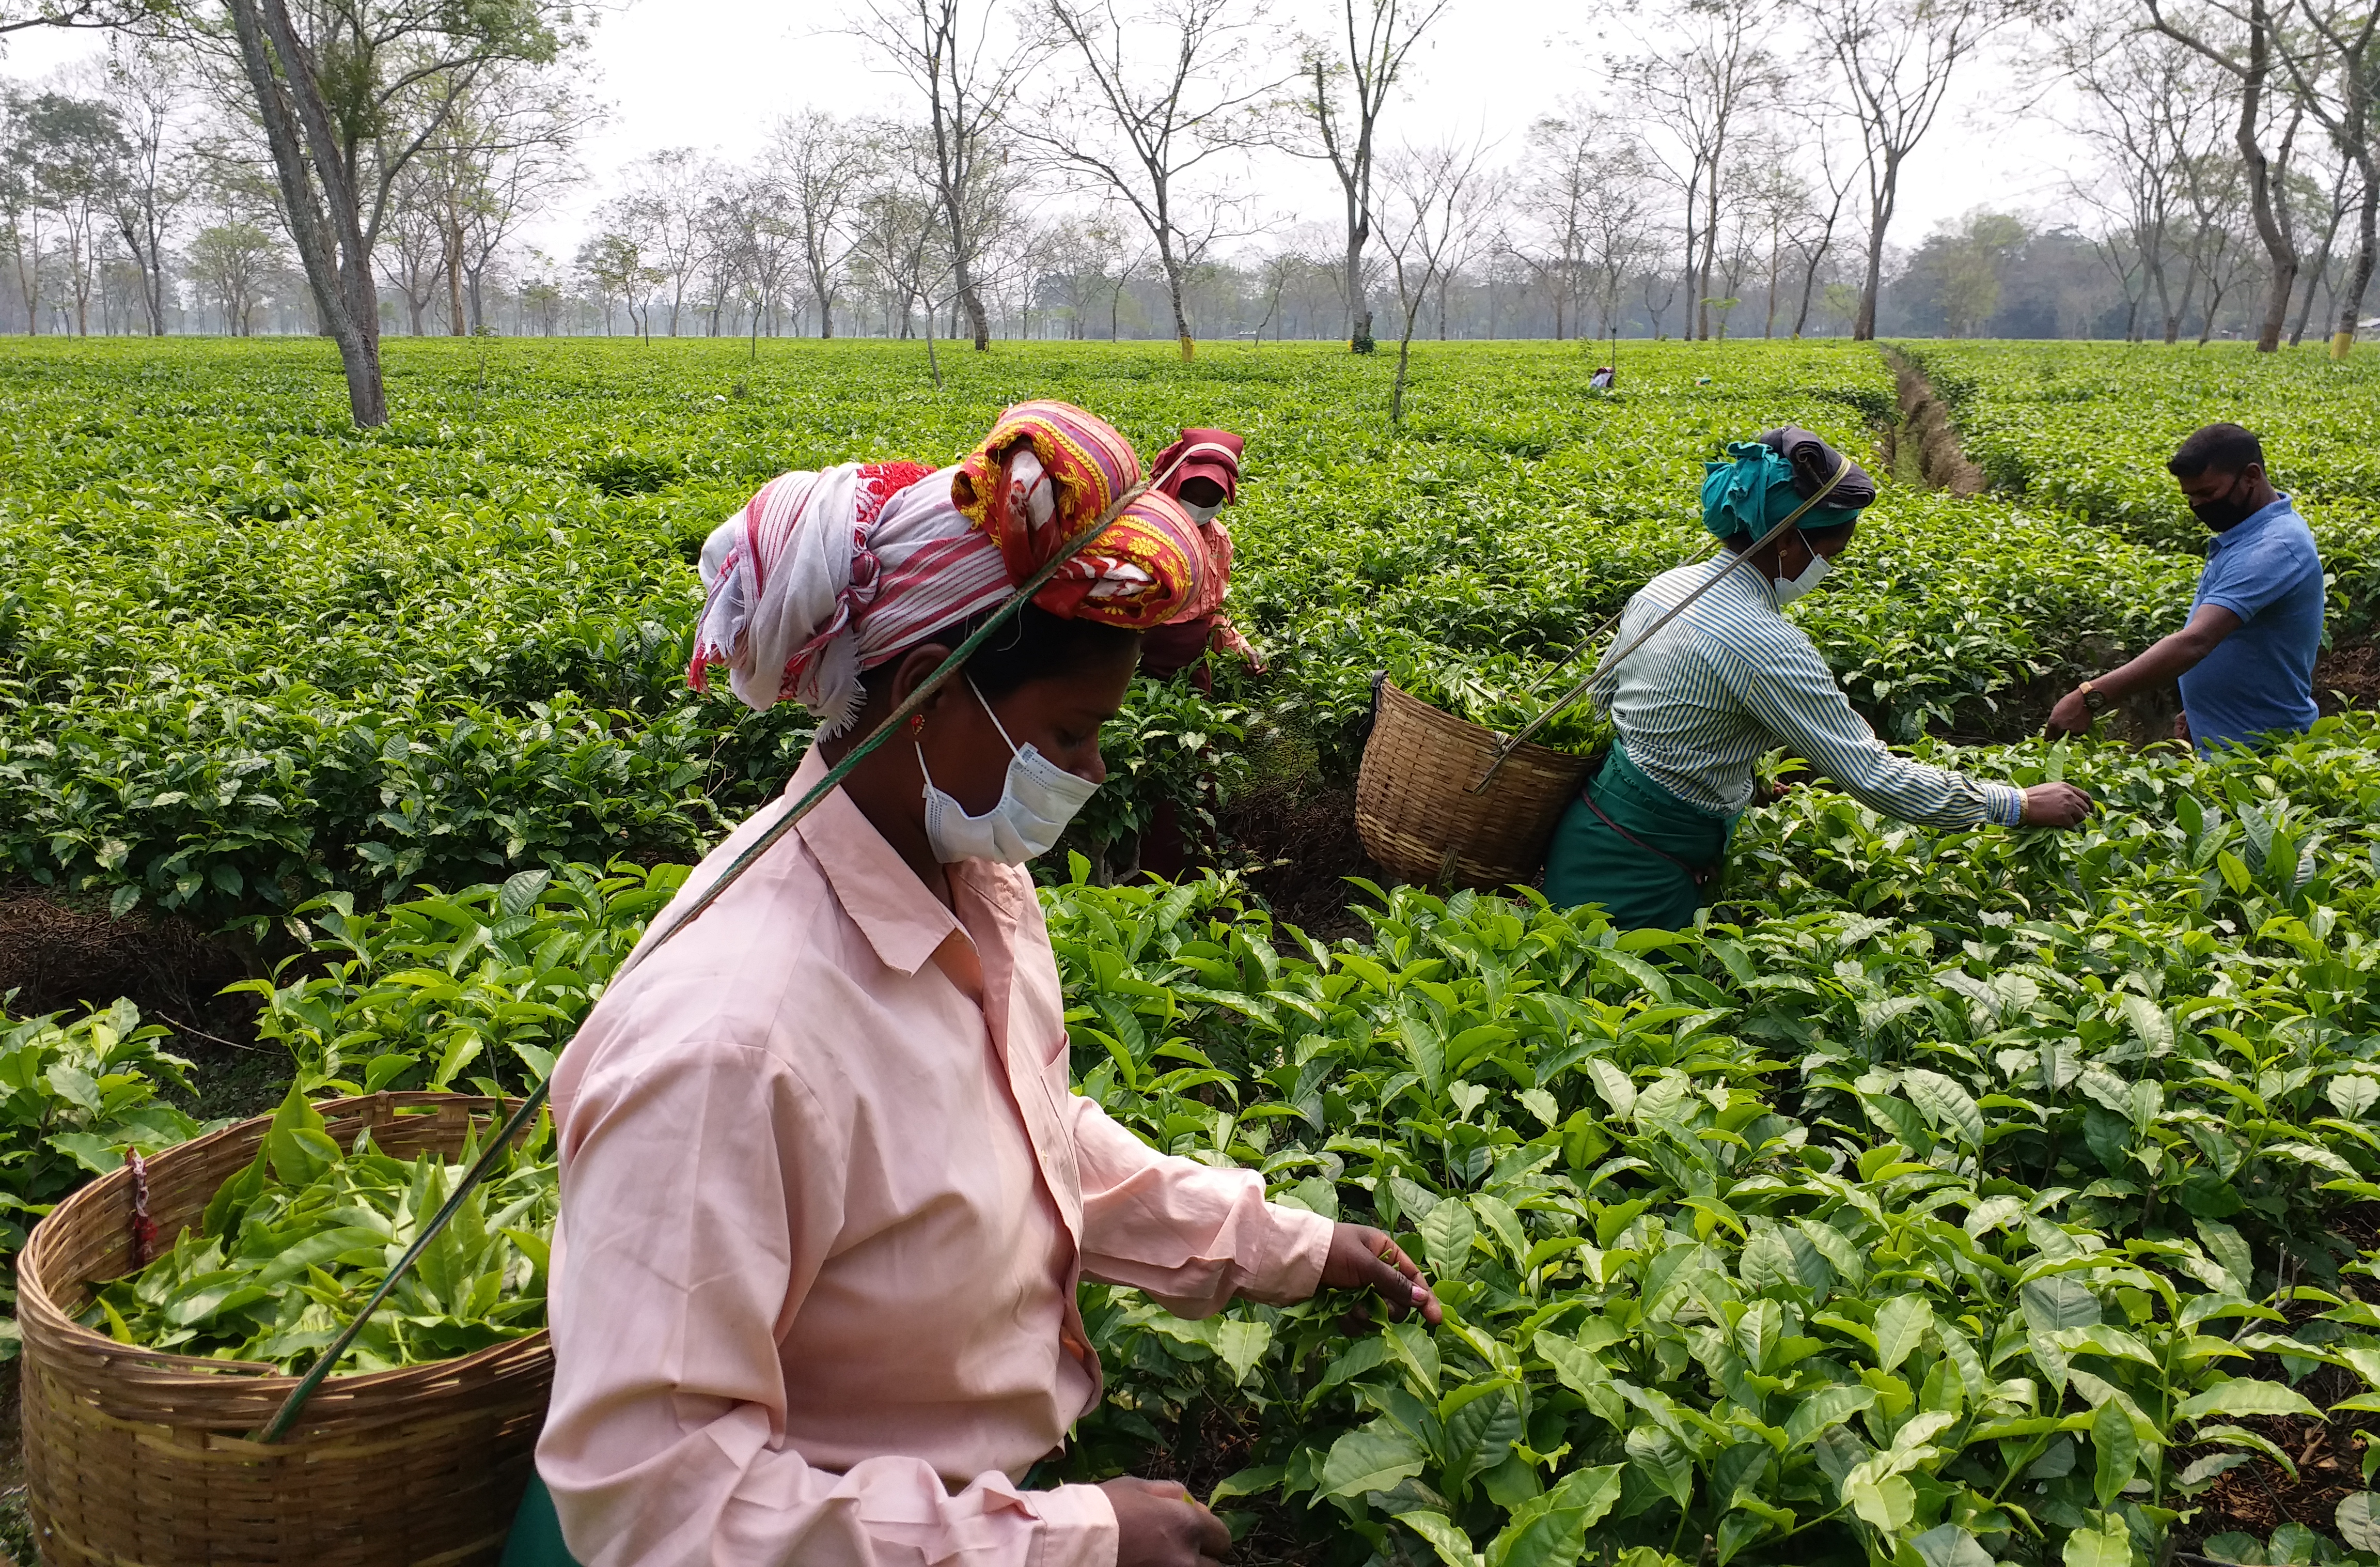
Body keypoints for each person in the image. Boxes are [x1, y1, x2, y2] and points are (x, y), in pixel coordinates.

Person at [512, 400, 1440, 1567]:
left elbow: (1026, 1143)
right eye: (1066, 731)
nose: (1092, 772)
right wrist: (1072, 1539)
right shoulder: (732, 1044)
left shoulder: (968, 877)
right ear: (922, 695)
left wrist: (1282, 1242)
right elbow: (663, 1510)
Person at [1541, 428, 2095, 933]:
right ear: (1787, 543)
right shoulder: (1765, 645)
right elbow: (1873, 776)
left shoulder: (1668, 587)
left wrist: (1735, 780)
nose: (1829, 567)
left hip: (1594, 824)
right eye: (1831, 552)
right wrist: (2015, 803)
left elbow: (1607, 703)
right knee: (1627, 1009)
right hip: (1643, 868)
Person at [2047, 424, 2323, 757]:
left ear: (2251, 476)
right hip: (2226, 738)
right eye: (2190, 496)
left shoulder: (2276, 546)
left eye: (2207, 494)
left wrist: (2092, 695)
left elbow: (2196, 641)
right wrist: (2203, 710)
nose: (2197, 506)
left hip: (2261, 753)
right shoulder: (2246, 533)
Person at [1136, 427, 1263, 684]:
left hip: (1190, 666)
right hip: (1134, 663)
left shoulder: (1218, 540)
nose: (1200, 506)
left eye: (1211, 499)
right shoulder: (1141, 531)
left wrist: (1240, 647)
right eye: (1193, 495)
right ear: (1175, 486)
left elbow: (1213, 611)